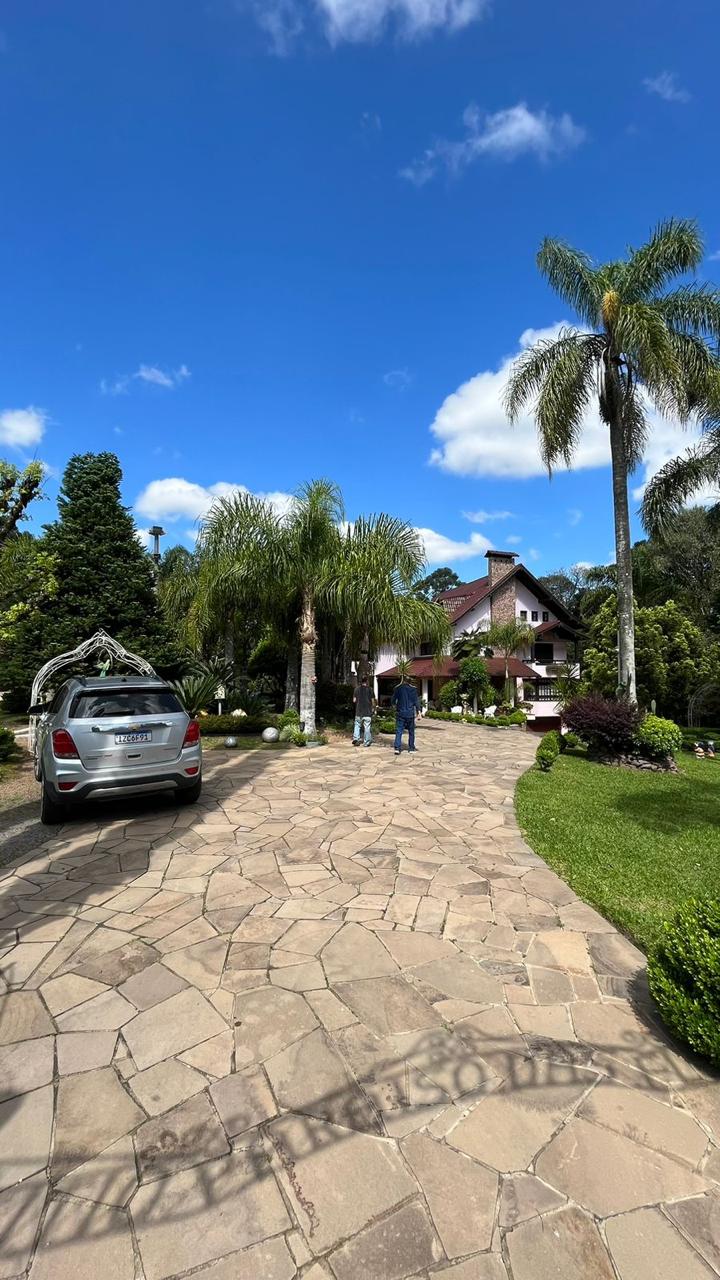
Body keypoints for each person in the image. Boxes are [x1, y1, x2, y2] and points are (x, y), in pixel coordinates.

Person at [391, 676, 420, 754]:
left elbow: (393, 700)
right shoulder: (414, 690)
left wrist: (394, 707)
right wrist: (419, 713)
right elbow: (416, 702)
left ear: (403, 681)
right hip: (410, 714)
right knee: (411, 732)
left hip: (400, 713)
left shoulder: (398, 688)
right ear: (410, 682)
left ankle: (397, 748)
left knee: (399, 731)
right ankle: (411, 748)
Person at [352, 676, 375, 747]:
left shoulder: (356, 689)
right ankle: (366, 742)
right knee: (367, 727)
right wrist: (373, 708)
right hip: (367, 711)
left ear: (361, 681)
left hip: (359, 711)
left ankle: (356, 739)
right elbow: (373, 701)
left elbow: (354, 700)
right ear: (367, 681)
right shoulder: (370, 689)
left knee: (357, 725)